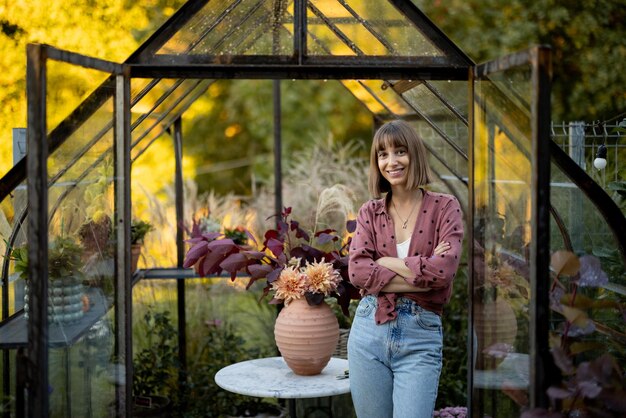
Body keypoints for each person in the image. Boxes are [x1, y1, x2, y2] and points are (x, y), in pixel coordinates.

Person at [348, 120, 464, 418]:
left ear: (414, 154)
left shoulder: (445, 207)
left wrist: (385, 264)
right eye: (383, 154)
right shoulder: (369, 212)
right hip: (368, 332)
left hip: (421, 335)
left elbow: (444, 273)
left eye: (400, 151)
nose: (392, 161)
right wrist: (420, 273)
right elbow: (358, 273)